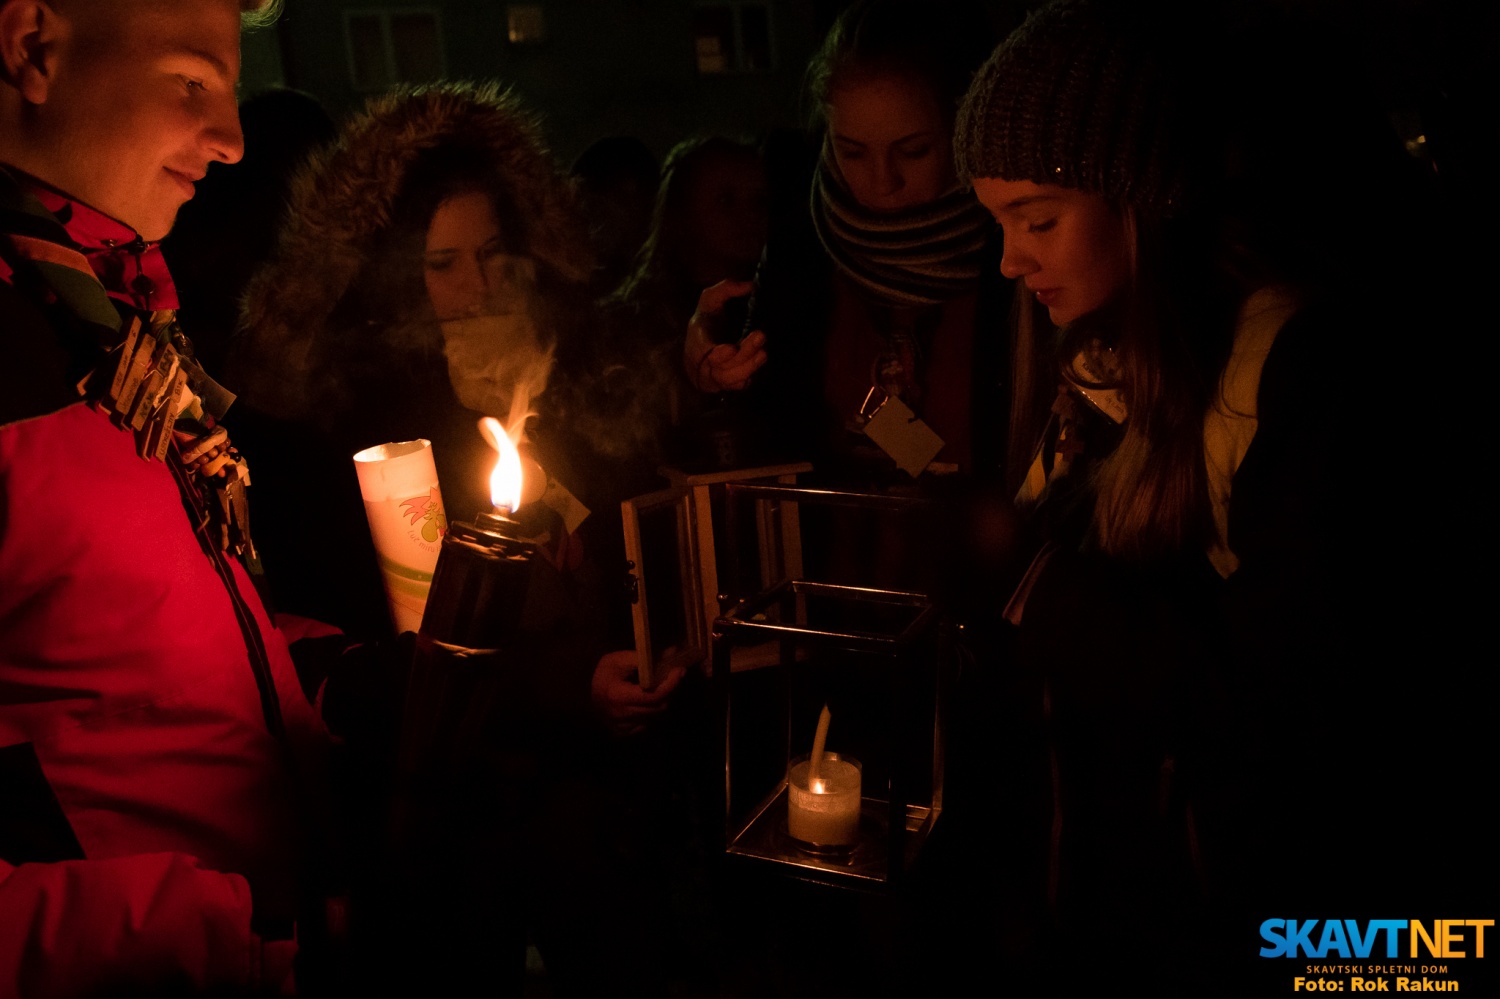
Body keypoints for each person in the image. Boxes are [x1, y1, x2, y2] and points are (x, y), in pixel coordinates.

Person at [952, 0, 1470, 988]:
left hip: (1263, 925)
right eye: (998, 222)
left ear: (1140, 197)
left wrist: (1041, 584)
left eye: (1038, 219)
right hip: (1113, 903)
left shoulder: (1289, 375)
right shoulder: (1098, 371)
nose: (1010, 259)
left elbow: (1292, 707)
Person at [229, 81, 680, 996]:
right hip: (434, 818)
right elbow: (377, 646)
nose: (477, 286)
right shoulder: (345, 424)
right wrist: (564, 687)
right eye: (442, 264)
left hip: (578, 796)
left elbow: (612, 521)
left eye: (490, 252)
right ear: (391, 274)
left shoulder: (552, 364)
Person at [0, 0, 334, 994]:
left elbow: (130, 673)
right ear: (33, 49)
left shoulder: (115, 325)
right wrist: (210, 939)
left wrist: (350, 687)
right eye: (192, 82)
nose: (232, 141)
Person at [685, 0, 1006, 488]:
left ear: (964, 128)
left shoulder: (1014, 249)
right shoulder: (802, 248)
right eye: (852, 152)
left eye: (913, 151)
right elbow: (766, 421)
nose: (882, 182)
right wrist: (713, 368)